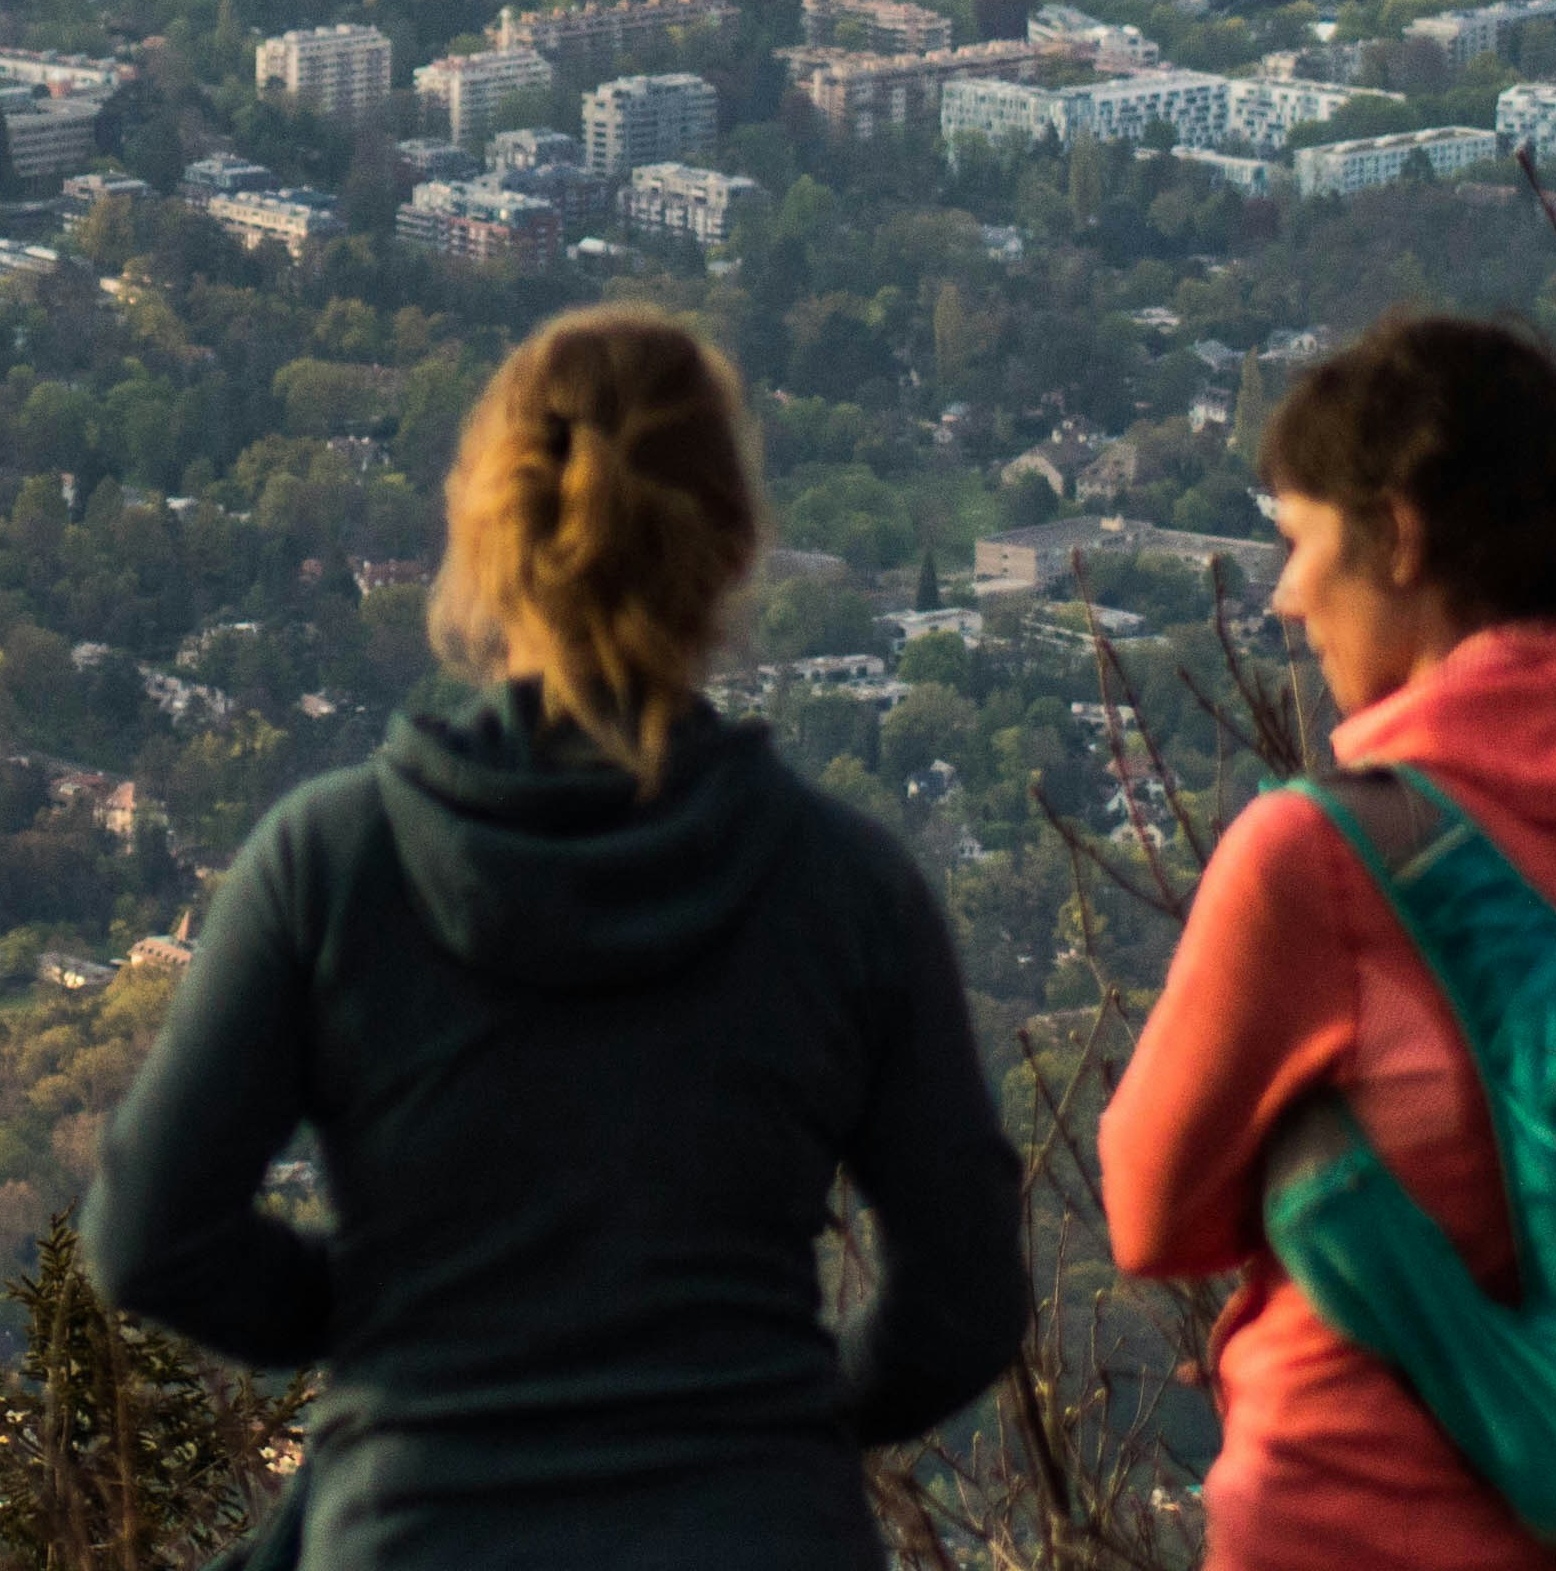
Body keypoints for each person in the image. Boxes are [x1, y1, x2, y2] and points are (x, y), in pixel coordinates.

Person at [85, 311, 1027, 1568]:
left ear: (486, 535)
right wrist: (773, 1415)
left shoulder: (332, 864)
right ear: (733, 545)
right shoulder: (846, 891)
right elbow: (966, 1298)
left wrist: (382, 1319)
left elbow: (150, 1233)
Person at [1102, 311, 1556, 1570]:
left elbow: (1147, 1207)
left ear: (1395, 534)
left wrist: (1311, 1150)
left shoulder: (1322, 857)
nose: (1282, 597)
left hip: (1358, 1526)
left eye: (1298, 542)